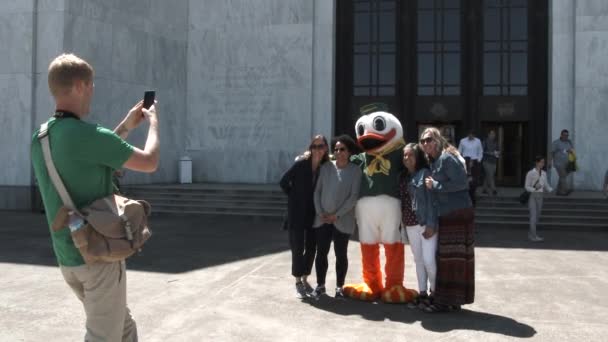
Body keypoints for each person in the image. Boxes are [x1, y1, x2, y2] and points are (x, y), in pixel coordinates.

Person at [31, 53, 160, 341]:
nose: (92, 92)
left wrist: (126, 126)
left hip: (68, 257)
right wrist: (153, 123)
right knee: (103, 336)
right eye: (90, 86)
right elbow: (150, 161)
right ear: (78, 86)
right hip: (98, 256)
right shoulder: (89, 135)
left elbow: (95, 157)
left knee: (124, 328)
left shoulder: (41, 137)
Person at [420, 127, 474, 313]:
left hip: (457, 213)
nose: (425, 143)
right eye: (423, 141)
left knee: (451, 258)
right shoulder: (435, 161)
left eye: (428, 139)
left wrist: (435, 185)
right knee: (452, 258)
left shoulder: (446, 158)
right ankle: (453, 300)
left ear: (437, 140)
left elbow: (462, 183)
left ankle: (446, 301)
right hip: (449, 213)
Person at [311, 135, 362, 298]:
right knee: (321, 253)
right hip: (322, 219)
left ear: (349, 152)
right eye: (336, 149)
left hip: (342, 220)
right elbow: (317, 192)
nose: (338, 152)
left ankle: (340, 286)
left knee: (341, 254)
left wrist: (336, 215)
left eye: (342, 149)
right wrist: (320, 213)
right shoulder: (326, 168)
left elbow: (353, 197)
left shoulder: (355, 171)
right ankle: (320, 285)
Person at [280, 134, 329, 299]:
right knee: (297, 247)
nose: (317, 150)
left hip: (313, 214)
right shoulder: (301, 164)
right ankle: (298, 280)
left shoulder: (325, 167)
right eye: (314, 146)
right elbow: (283, 181)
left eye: (320, 146)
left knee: (311, 248)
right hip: (297, 213)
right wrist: (294, 197)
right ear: (310, 148)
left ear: (325, 148)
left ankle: (305, 274)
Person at [399, 143, 438, 309]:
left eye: (411, 155)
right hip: (410, 224)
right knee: (419, 260)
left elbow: (432, 201)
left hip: (424, 223)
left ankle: (435, 294)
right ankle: (422, 293)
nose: (407, 158)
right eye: (405, 155)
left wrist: (431, 224)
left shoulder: (425, 174)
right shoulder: (403, 176)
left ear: (418, 157)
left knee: (429, 260)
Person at [525, 156, 553, 242]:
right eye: (541, 162)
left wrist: (551, 190)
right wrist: (535, 189)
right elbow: (526, 186)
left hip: (540, 196)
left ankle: (531, 233)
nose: (543, 164)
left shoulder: (544, 173)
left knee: (537, 216)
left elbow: (546, 185)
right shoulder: (530, 173)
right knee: (533, 216)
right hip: (532, 196)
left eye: (543, 162)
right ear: (537, 163)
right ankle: (533, 236)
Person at [551, 129, 574, 195]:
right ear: (561, 135)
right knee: (563, 176)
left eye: (567, 135)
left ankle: (558, 191)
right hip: (558, 163)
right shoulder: (556, 142)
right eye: (564, 135)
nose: (566, 137)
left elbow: (572, 150)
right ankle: (565, 190)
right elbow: (552, 152)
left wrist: (571, 152)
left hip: (567, 163)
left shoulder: (569, 142)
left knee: (562, 176)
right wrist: (550, 161)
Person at [482, 130, 499, 195]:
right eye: (492, 134)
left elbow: (497, 150)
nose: (493, 135)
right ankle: (494, 189)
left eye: (494, 134)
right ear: (488, 135)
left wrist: (497, 153)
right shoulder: (485, 142)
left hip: (494, 161)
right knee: (491, 175)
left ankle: (484, 189)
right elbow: (482, 151)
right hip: (486, 161)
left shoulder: (495, 142)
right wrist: (490, 153)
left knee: (488, 175)